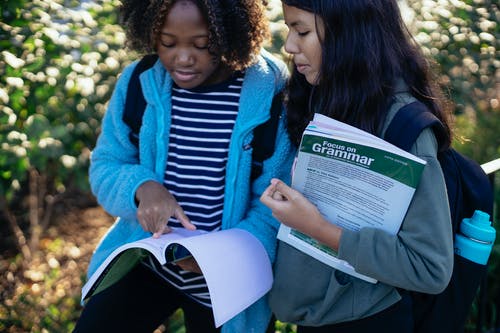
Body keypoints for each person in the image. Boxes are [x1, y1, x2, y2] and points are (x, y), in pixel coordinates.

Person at [73, 0, 295, 332]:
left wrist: (220, 262)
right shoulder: (140, 82)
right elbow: (106, 164)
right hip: (147, 266)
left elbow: (277, 201)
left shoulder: (272, 91)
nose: (183, 57)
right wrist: (142, 188)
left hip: (227, 288)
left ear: (232, 32)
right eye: (167, 42)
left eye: (203, 44)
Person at [260, 1, 454, 332]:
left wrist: (319, 229)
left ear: (349, 31)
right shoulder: (320, 96)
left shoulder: (404, 125)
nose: (289, 46)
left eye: (302, 31)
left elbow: (430, 267)